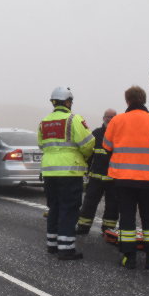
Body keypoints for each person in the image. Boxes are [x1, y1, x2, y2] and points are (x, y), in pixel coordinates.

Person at [103, 86, 149, 269]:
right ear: (144, 100)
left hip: (123, 180)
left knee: (127, 218)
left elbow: (106, 147)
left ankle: (128, 258)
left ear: (127, 101)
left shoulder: (117, 121)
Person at [39, 87, 95, 260]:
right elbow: (88, 144)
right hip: (70, 172)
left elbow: (42, 144)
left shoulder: (44, 121)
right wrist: (84, 158)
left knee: (54, 206)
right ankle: (66, 248)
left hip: (49, 172)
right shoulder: (74, 119)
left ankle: (52, 244)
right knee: (69, 208)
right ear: (68, 102)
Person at [76, 108, 118, 235]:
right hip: (96, 177)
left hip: (113, 178)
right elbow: (89, 154)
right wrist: (86, 170)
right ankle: (83, 227)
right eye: (107, 116)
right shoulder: (96, 133)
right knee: (89, 203)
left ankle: (108, 229)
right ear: (103, 118)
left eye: (112, 117)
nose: (109, 119)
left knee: (112, 205)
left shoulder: (120, 134)